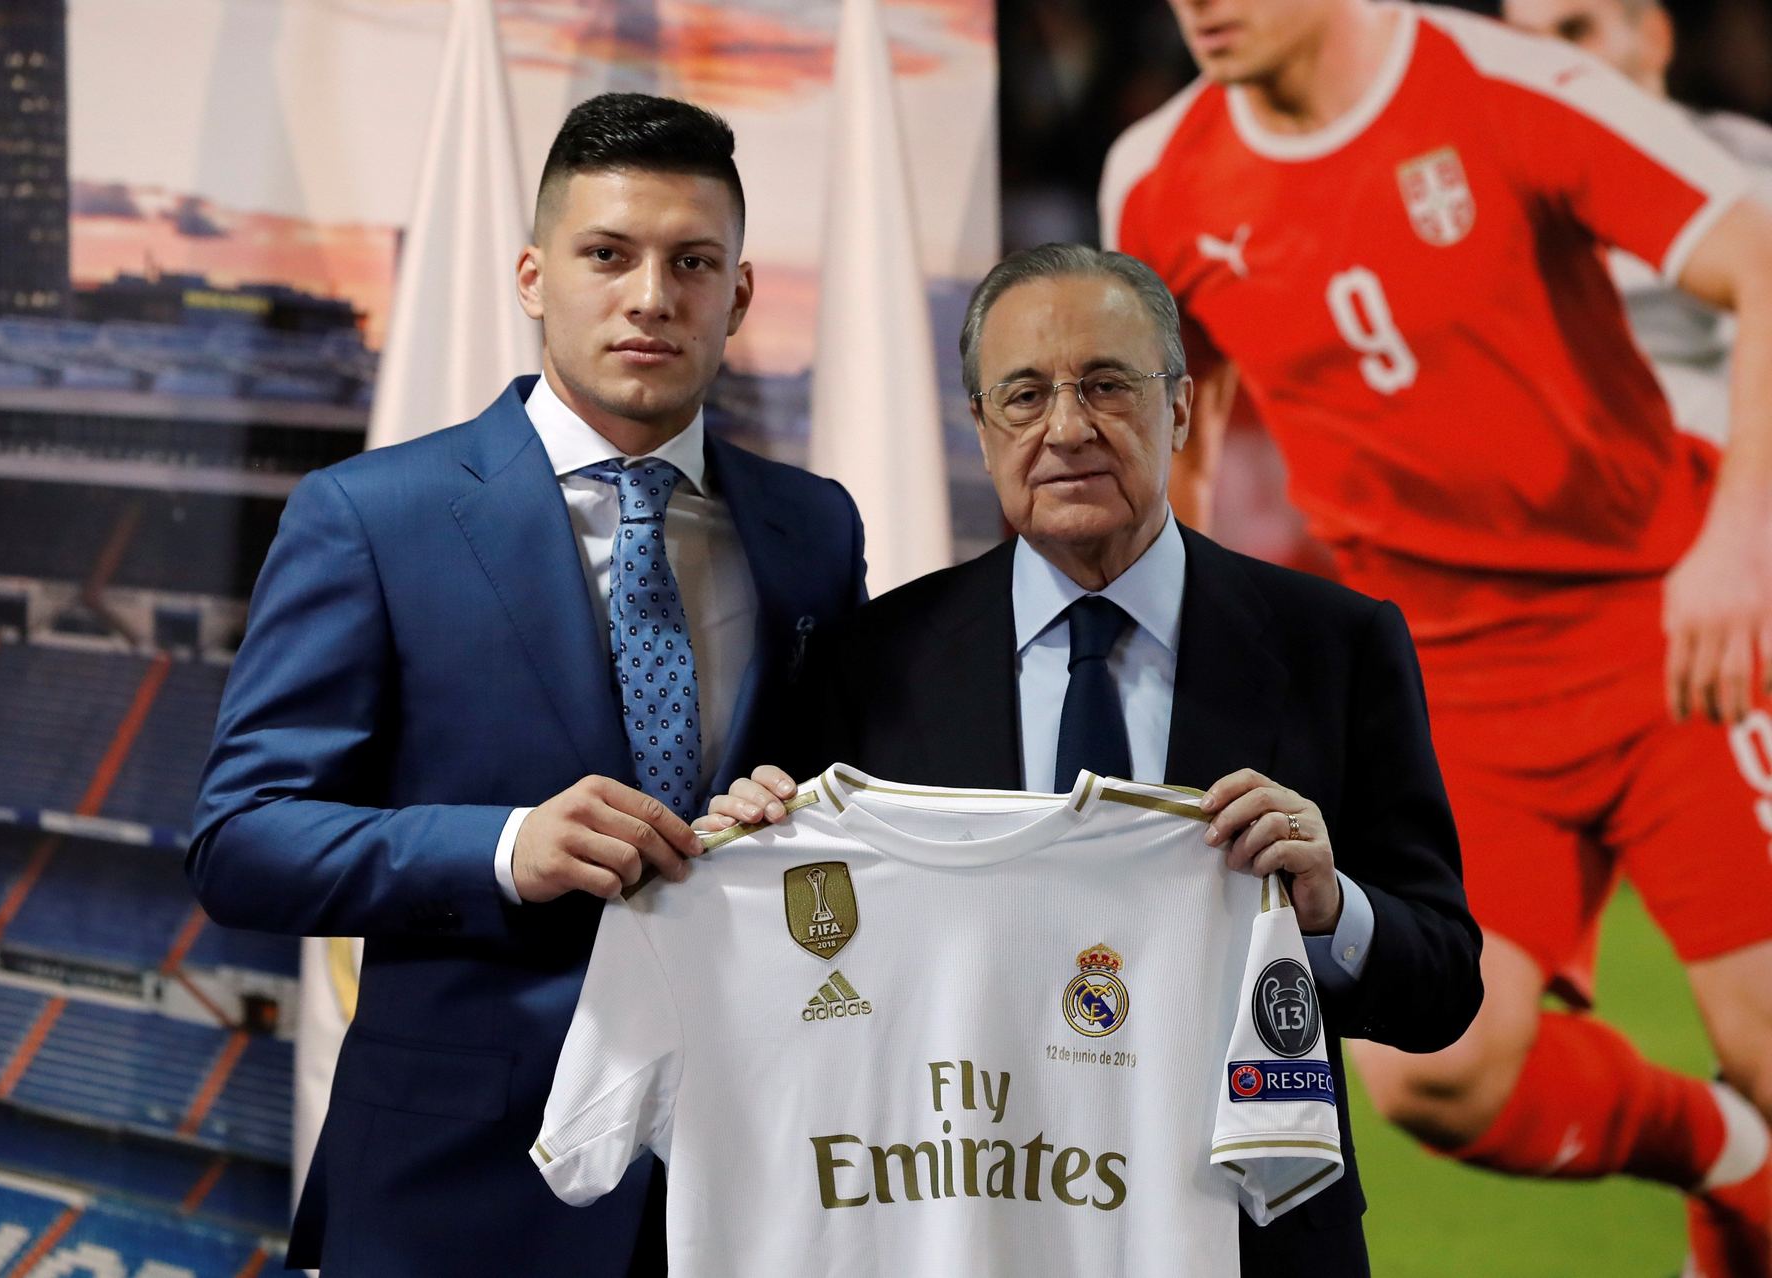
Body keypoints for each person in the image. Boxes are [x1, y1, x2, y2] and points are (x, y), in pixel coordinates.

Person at [1097, 2, 1772, 1273]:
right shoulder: (1159, 176)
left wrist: (1741, 540)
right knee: (1434, 1073)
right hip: (1447, 680)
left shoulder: (1512, 88)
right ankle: (1726, 1157)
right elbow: (1179, 424)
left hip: (1663, 633)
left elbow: (1761, 256)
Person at [187, 93, 867, 1276]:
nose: (652, 296)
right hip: (455, 1195)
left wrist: (798, 815)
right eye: (609, 254)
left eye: (692, 262)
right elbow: (243, 842)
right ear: (534, 275)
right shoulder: (369, 517)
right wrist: (505, 849)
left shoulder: (815, 528)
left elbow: (842, 805)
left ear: (739, 297)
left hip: (749, 1181)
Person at [710, 243, 1484, 1278]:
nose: (1066, 428)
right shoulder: (872, 660)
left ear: (1180, 409)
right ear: (980, 432)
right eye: (1023, 396)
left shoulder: (1334, 646)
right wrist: (761, 853)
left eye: (1107, 386)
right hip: (964, 1232)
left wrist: (1333, 906)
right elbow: (824, 979)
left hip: (1253, 1238)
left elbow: (1444, 985)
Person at [1503, 0, 1772, 448]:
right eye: (1525, 43)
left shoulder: (1749, 171)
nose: (1546, 59)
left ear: (1654, 40)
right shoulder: (1495, 199)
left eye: (1574, 31)